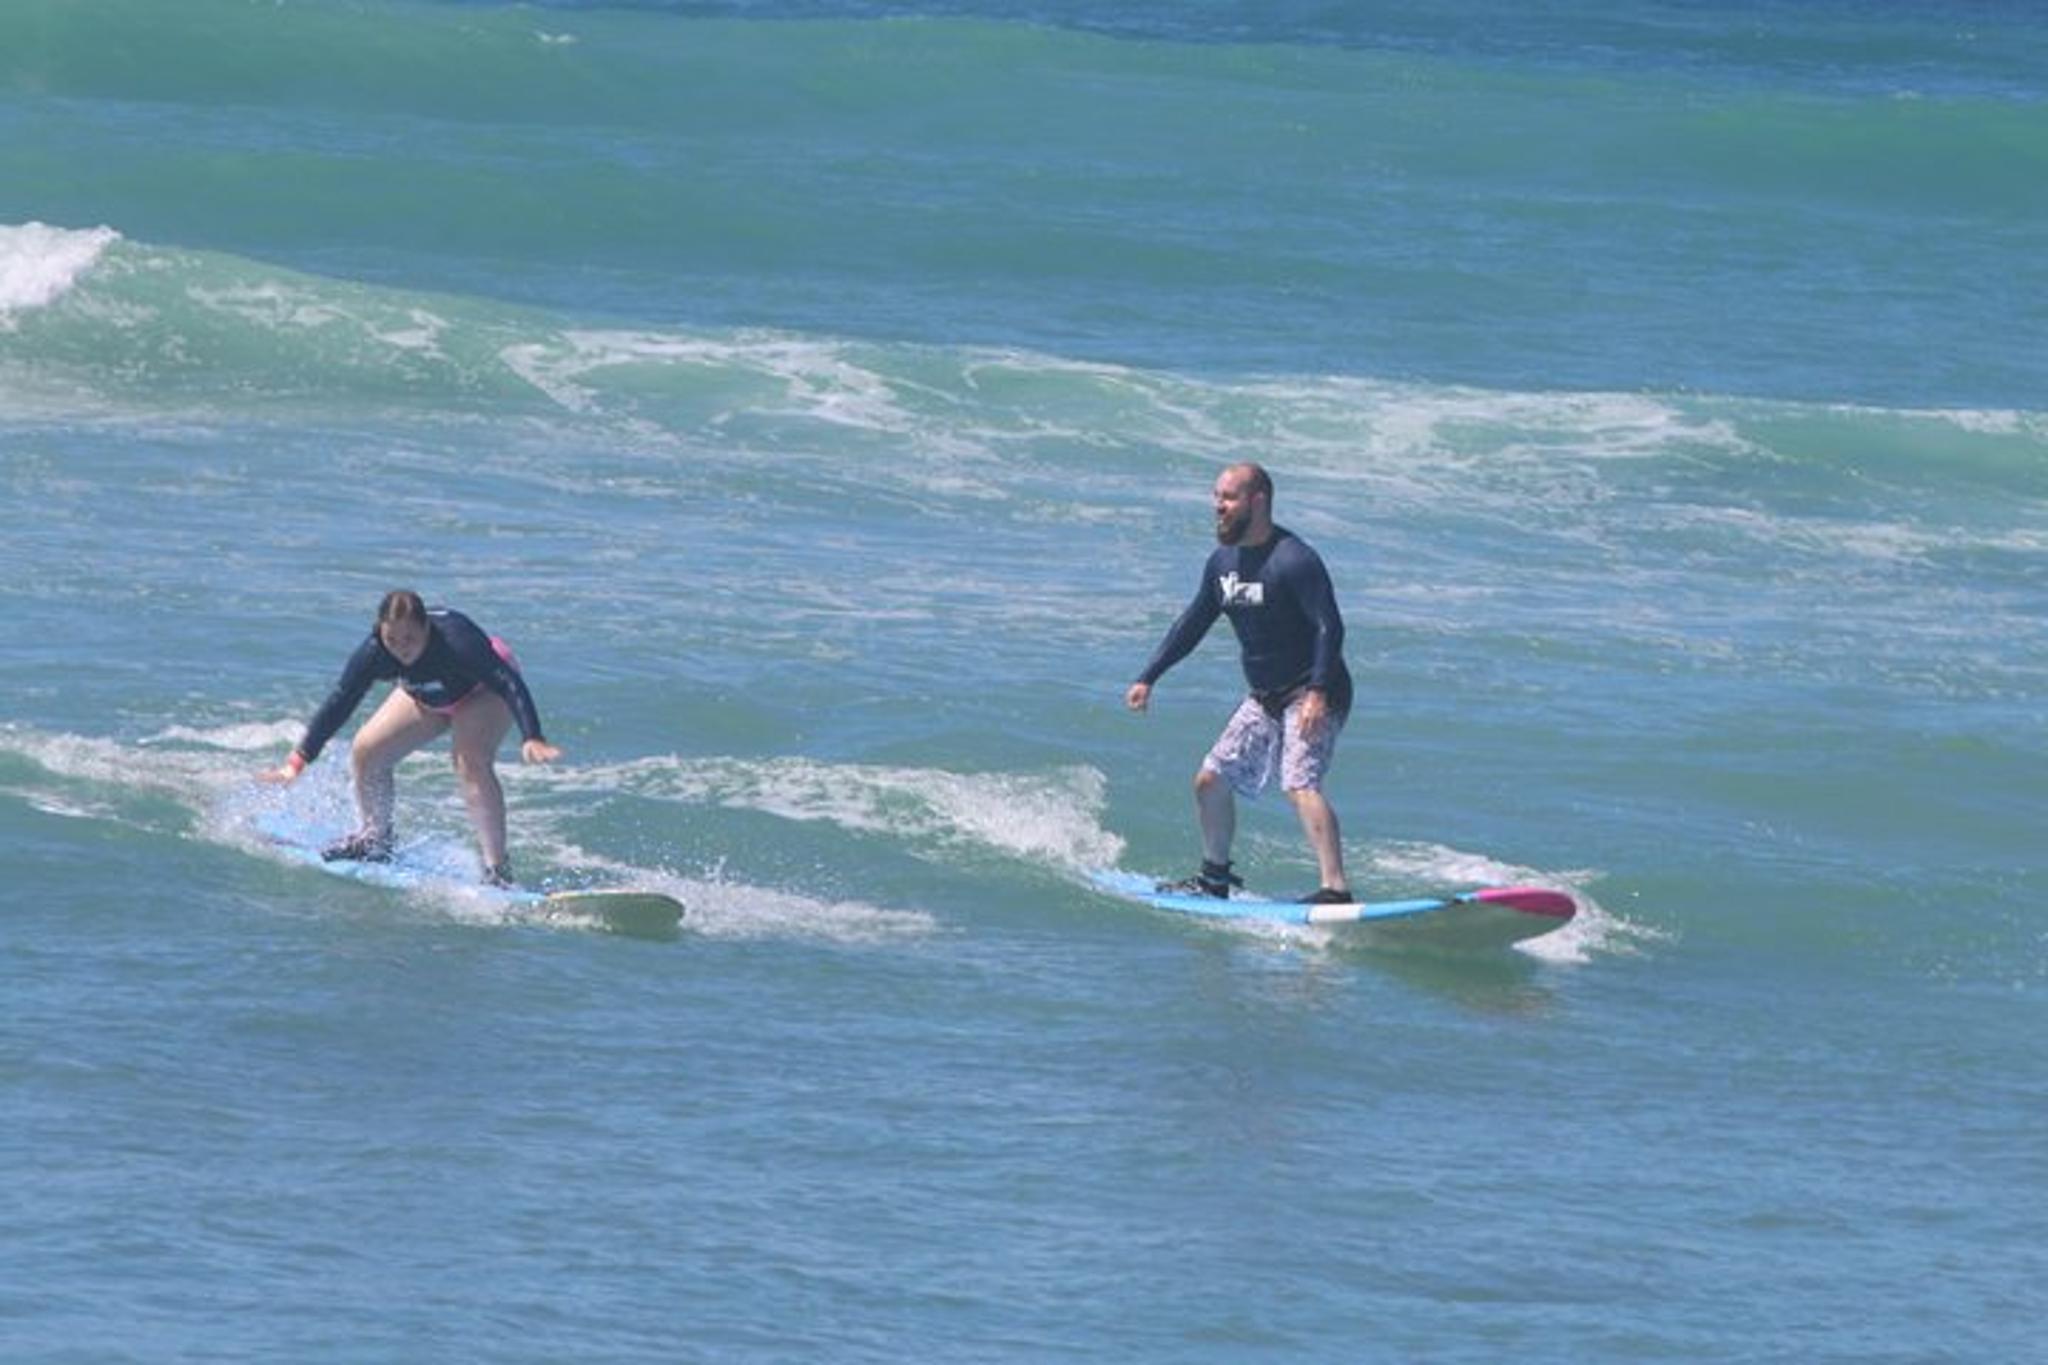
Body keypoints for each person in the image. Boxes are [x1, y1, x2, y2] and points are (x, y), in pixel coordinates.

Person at [1125, 462, 1354, 903]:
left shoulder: (1294, 559)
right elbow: (1192, 624)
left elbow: (1330, 627)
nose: (1218, 506)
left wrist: (1319, 693)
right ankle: (1214, 880)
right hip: (1265, 697)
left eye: (1228, 497)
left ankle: (1335, 889)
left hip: (1312, 691)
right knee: (1210, 780)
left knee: (1300, 782)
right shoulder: (1222, 564)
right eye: (1217, 497)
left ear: (1258, 501)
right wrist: (1149, 676)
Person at [261, 590, 562, 887]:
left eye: (410, 640)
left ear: (427, 629)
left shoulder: (458, 641)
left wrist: (532, 735)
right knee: (367, 750)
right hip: (428, 696)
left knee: (469, 760)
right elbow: (340, 702)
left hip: (483, 691)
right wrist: (296, 763)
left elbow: (508, 683)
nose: (401, 649)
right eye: (392, 640)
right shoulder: (375, 652)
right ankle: (375, 839)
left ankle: (497, 869)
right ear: (381, 631)